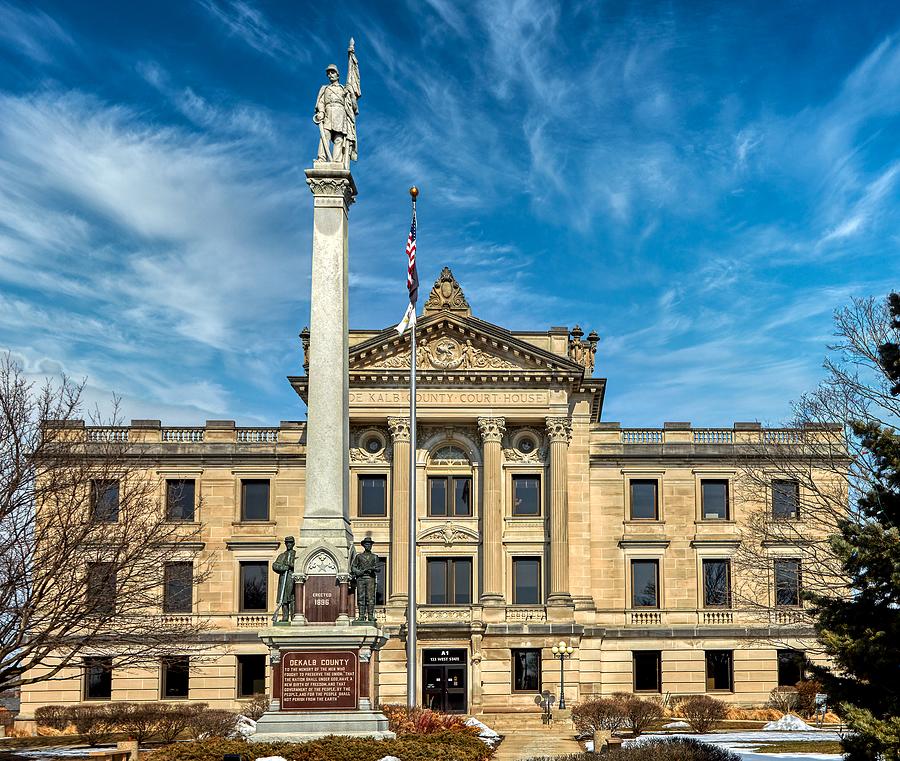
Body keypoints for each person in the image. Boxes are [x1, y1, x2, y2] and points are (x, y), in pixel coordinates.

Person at [350, 537, 379, 622]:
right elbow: (353, 567)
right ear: (363, 545)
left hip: (370, 578)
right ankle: (361, 616)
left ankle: (370, 616)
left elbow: (377, 568)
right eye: (366, 544)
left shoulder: (374, 557)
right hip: (361, 579)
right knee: (361, 597)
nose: (368, 546)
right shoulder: (359, 556)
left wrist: (373, 569)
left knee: (370, 598)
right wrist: (359, 572)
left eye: (370, 544)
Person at [272, 536, 296, 623]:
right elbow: (275, 565)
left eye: (290, 542)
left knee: (293, 599)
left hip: (293, 579)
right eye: (287, 543)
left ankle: (294, 617)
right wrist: (284, 567)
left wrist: (292, 566)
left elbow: (301, 565)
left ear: (293, 543)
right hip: (284, 579)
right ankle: (285, 617)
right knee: (284, 599)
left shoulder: (297, 555)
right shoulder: (282, 555)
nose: (289, 544)